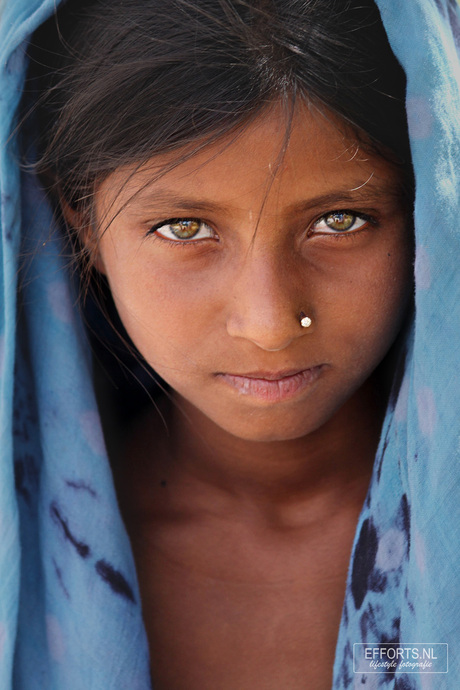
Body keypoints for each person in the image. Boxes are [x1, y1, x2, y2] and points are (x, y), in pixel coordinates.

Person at [0, 0, 458, 688]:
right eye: (185, 229)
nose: (270, 323)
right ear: (85, 224)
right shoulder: (23, 562)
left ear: (431, 212)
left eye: (341, 220)